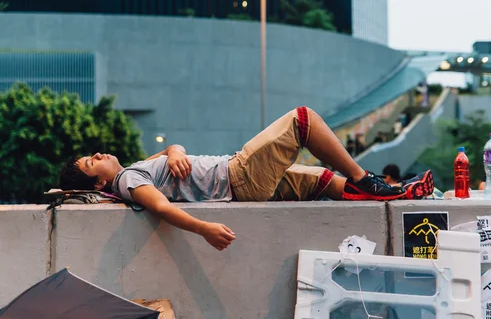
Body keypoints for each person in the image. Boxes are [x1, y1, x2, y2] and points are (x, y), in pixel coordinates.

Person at [58, 107, 435, 251]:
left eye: (92, 155)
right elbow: (160, 207)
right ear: (98, 186)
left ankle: (393, 193)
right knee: (302, 120)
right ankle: (364, 178)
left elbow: (171, 149)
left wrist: (175, 152)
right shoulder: (127, 184)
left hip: (244, 183)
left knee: (320, 180)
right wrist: (204, 229)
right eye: (92, 163)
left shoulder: (133, 169)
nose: (98, 155)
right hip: (238, 175)